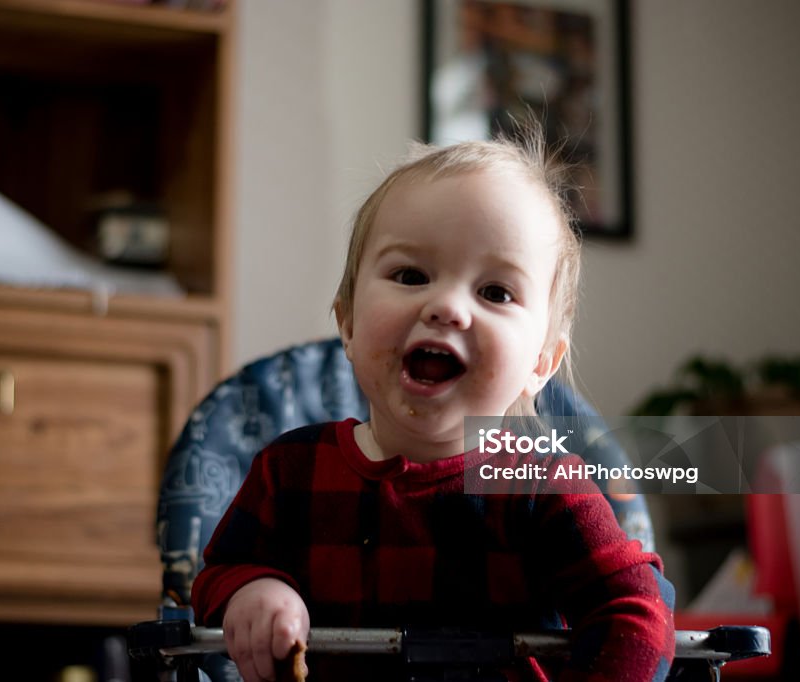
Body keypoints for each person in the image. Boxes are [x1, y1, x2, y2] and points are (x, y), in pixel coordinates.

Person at [191, 131, 675, 681]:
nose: (446, 306)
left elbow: (638, 612)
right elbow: (217, 574)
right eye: (411, 276)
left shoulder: (546, 488)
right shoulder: (290, 472)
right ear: (347, 322)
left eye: (495, 292)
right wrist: (256, 590)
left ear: (542, 361)